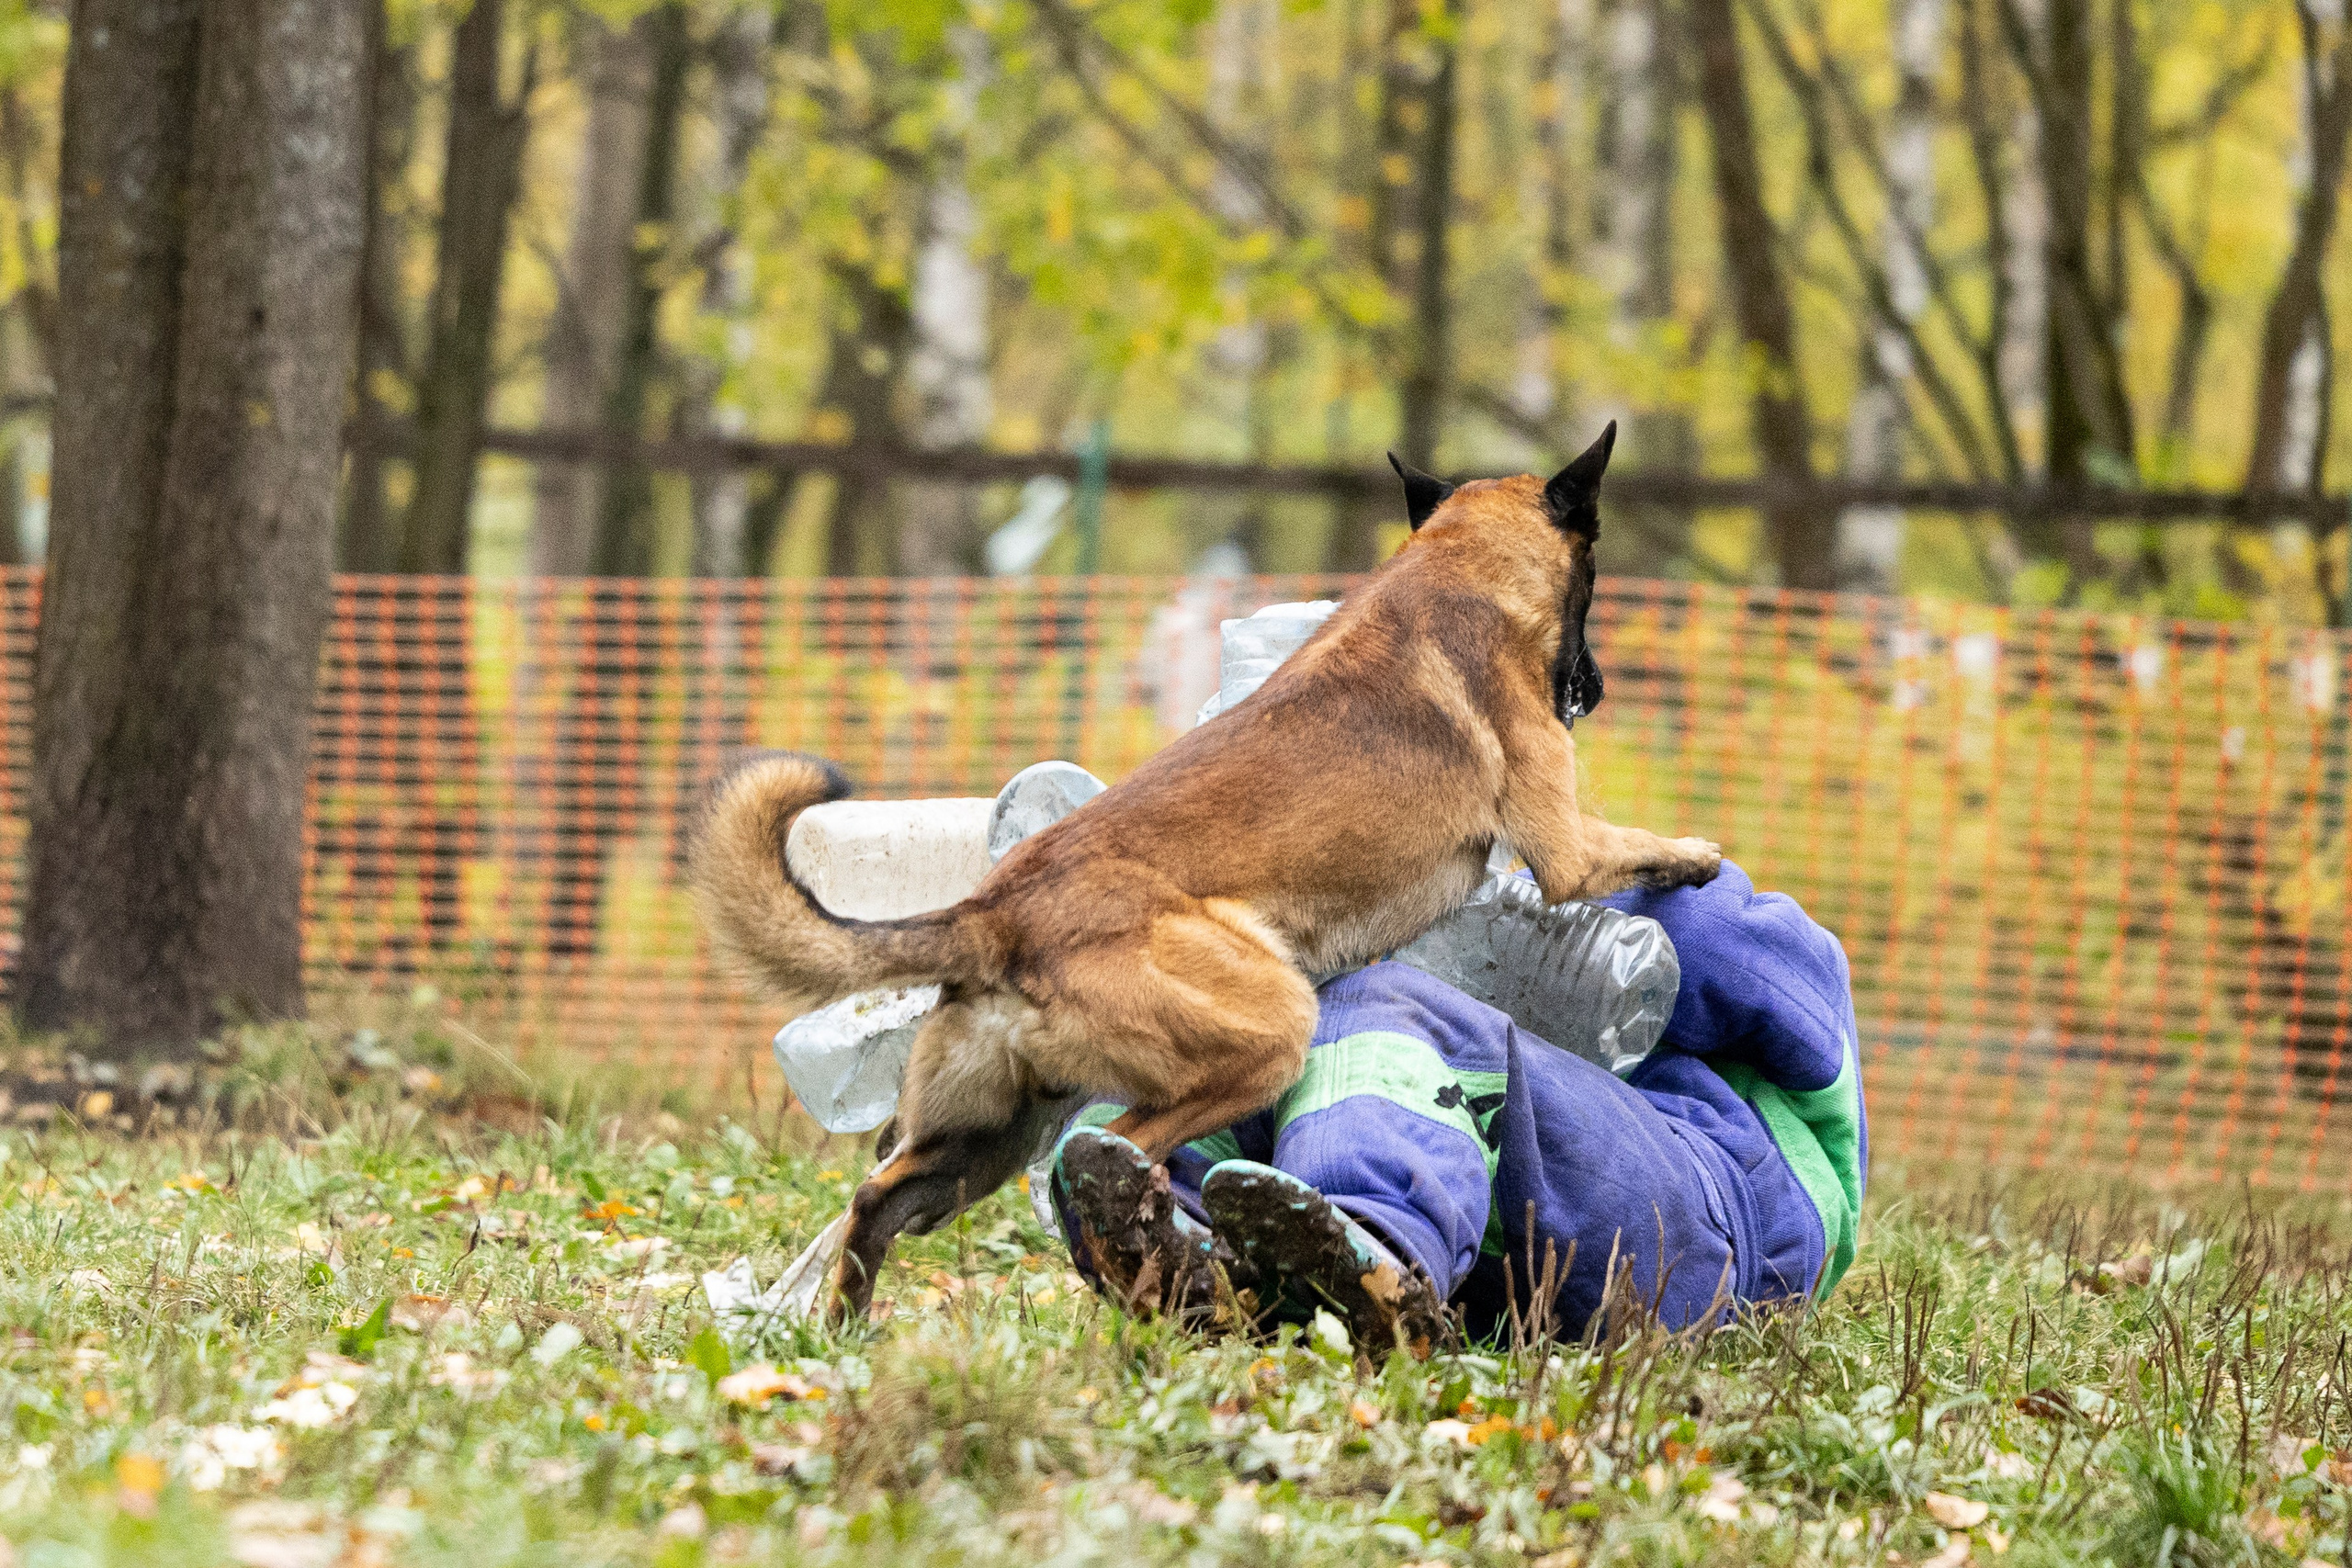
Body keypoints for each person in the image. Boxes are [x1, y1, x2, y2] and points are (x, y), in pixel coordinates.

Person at [1047, 859, 1865, 1354]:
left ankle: (1376, 1247)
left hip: (1727, 1223)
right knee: (1262, 1021)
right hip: (1514, 1266)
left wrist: (1522, 897)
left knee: (1391, 1006)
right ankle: (1172, 1227)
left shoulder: (1750, 958)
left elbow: (1735, 942)